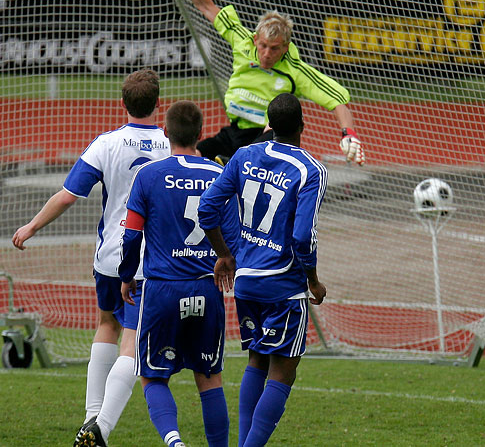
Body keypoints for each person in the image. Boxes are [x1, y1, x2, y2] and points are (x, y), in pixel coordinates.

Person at [11, 69, 170, 446]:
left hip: (111, 255)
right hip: (152, 260)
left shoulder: (106, 143)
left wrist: (32, 227)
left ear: (122, 103)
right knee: (133, 341)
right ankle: (101, 429)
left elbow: (68, 195)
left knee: (106, 325)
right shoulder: (171, 144)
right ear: (158, 105)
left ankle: (89, 418)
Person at [139, 0, 364, 167]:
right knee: (190, 156)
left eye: (274, 49)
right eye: (263, 46)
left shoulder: (295, 70)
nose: (267, 54)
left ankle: (232, 167)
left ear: (285, 48)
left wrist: (349, 133)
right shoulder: (241, 40)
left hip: (268, 140)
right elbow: (205, 5)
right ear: (255, 39)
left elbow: (337, 100)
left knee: (255, 147)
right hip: (235, 132)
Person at [198, 92, 328, 447]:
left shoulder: (243, 156)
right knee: (284, 368)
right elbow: (302, 236)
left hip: (246, 283)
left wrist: (225, 254)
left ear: (268, 126)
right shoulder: (310, 170)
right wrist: (313, 280)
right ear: (303, 126)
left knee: (257, 357)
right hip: (283, 286)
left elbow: (207, 208)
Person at [118, 100, 236, 447]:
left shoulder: (149, 176)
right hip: (207, 289)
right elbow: (230, 237)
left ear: (165, 132)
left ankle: (174, 441)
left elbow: (131, 235)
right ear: (201, 134)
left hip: (162, 291)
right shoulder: (219, 175)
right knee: (209, 377)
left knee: (152, 377)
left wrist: (127, 276)